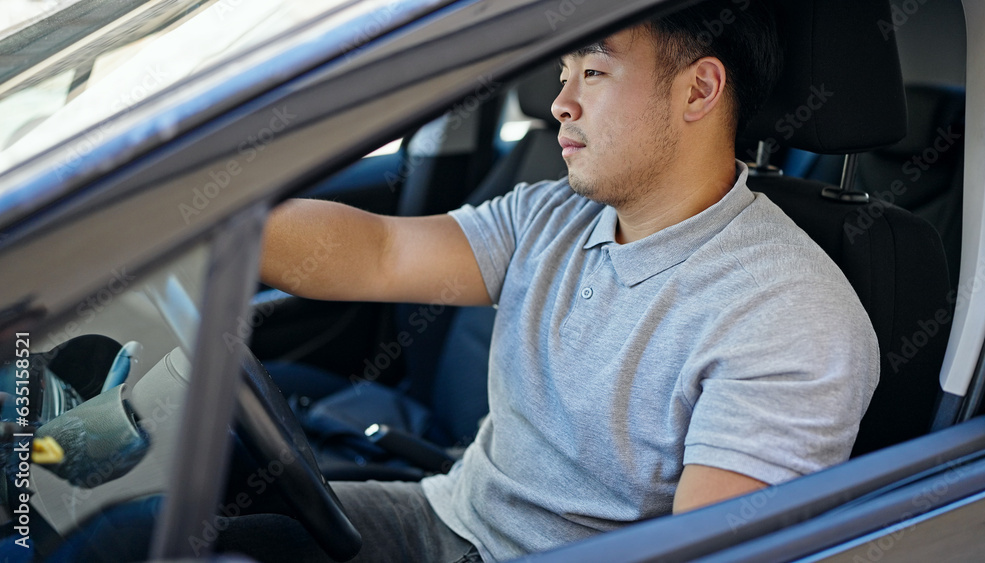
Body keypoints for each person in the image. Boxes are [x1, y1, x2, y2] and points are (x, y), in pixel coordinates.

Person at [249, 1, 879, 561]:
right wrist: (210, 230)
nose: (560, 103)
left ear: (698, 91)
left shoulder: (789, 312)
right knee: (215, 525)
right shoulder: (554, 213)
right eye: (563, 74)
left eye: (594, 72)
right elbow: (379, 252)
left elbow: (705, 549)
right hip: (448, 515)